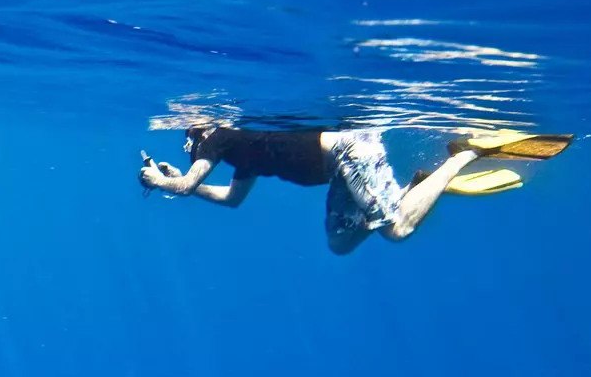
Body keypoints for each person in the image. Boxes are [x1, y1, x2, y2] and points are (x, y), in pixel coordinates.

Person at [137, 125, 572, 254]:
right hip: (344, 167)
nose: (188, 147)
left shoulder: (219, 138)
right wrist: (179, 185)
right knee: (340, 241)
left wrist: (165, 181)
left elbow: (190, 179)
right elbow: (231, 199)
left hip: (351, 154)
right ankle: (413, 190)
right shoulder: (239, 152)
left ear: (200, 132)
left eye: (187, 140)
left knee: (396, 229)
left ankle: (467, 154)